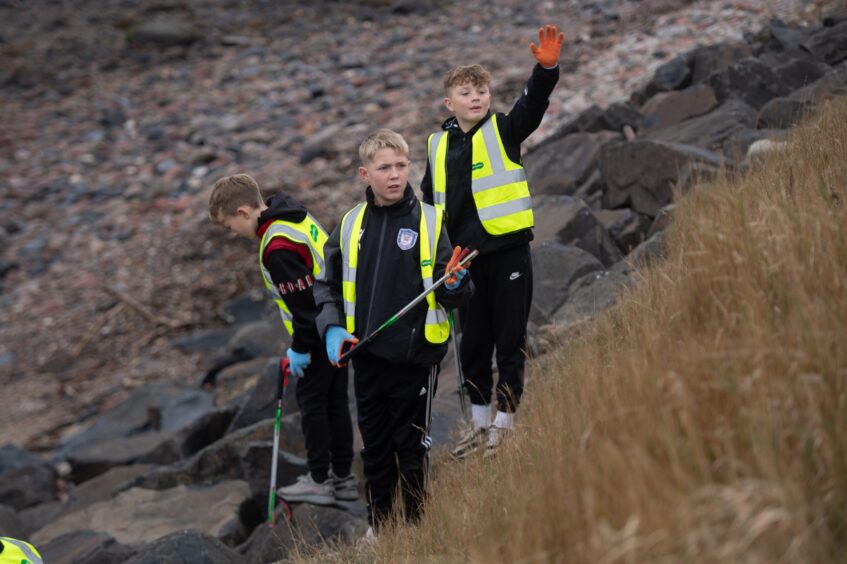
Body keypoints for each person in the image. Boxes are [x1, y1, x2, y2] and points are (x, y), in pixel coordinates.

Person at [313, 129, 473, 530]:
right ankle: (381, 529)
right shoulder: (350, 224)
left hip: (415, 358)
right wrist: (331, 329)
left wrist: (455, 284)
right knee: (375, 450)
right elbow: (326, 285)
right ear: (365, 174)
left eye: (401, 166)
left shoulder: (431, 220)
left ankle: (417, 528)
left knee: (412, 447)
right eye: (385, 168)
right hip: (365, 356)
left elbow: (452, 288)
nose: (395, 175)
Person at [421, 25, 564, 458]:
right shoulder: (436, 146)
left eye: (482, 90)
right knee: (474, 345)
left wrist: (547, 69)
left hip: (508, 253)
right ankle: (480, 426)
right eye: (467, 92)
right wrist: (434, 260)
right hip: (463, 263)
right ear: (450, 103)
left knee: (510, 341)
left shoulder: (503, 129)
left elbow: (532, 106)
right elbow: (429, 205)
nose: (477, 98)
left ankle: (506, 425)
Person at [209, 174, 356, 506]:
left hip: (320, 334)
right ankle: (343, 478)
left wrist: (300, 349)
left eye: (229, 226)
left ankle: (320, 479)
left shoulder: (277, 247)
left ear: (244, 212)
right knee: (334, 403)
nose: (232, 234)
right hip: (338, 323)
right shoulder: (293, 214)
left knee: (313, 404)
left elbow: (305, 308)